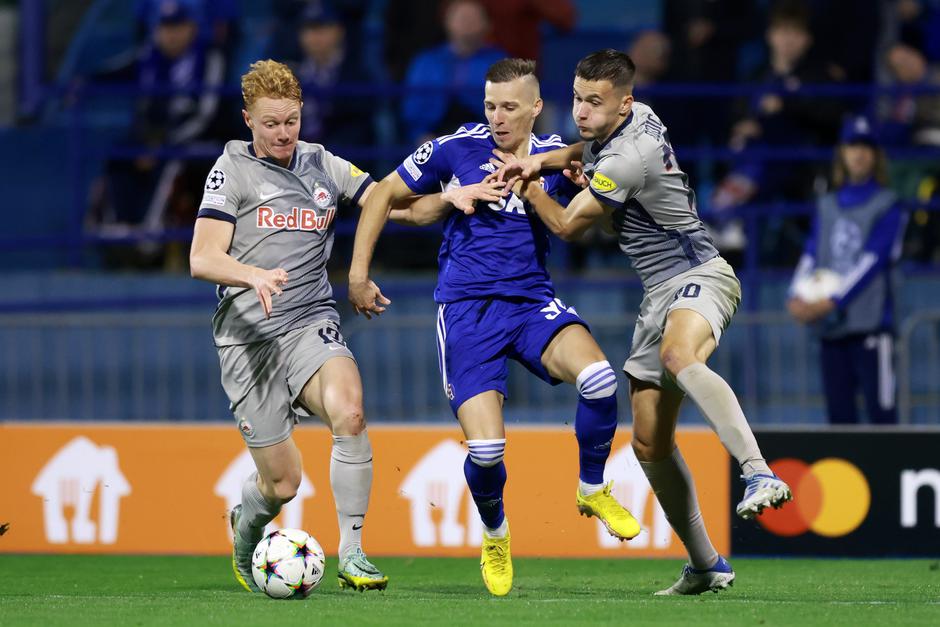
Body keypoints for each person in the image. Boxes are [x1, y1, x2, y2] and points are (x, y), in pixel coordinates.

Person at [492, 49, 792, 595]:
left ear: (623, 102)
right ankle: (706, 566)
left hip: (700, 272)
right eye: (578, 98)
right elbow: (586, 148)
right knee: (650, 442)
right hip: (659, 294)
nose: (581, 111)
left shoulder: (627, 159)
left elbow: (564, 227)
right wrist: (545, 160)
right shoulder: (635, 119)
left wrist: (529, 182)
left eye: (594, 102)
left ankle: (758, 470)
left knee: (682, 357)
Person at [347, 58, 641, 597]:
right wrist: (360, 273)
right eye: (490, 106)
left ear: (535, 107)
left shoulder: (553, 151)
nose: (498, 117)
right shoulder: (456, 147)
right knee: (486, 452)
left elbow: (602, 159)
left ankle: (592, 487)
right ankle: (496, 532)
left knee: (599, 377)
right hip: (466, 311)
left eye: (509, 107)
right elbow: (384, 196)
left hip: (531, 303)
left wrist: (566, 172)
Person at [189, 59, 392, 593]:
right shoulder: (230, 170)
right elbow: (202, 257)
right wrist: (250, 273)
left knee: (349, 410)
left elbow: (385, 200)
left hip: (308, 320)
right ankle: (245, 527)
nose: (284, 133)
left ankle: (353, 554)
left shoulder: (321, 163)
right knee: (283, 483)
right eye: (271, 123)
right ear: (248, 120)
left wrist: (449, 199)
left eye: (292, 121)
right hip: (247, 340)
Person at [787, 115, 906, 424]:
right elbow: (812, 253)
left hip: (872, 327)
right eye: (853, 145)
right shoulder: (826, 205)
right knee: (839, 420)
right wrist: (795, 295)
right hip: (832, 329)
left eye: (867, 146)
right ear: (842, 151)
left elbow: (871, 262)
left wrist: (830, 302)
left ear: (876, 155)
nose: (859, 153)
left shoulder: (888, 204)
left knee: (882, 419)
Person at [400, 0, 506, 144]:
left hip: (485, 136)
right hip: (434, 134)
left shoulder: (500, 62)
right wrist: (421, 135)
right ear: (447, 22)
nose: (467, 23)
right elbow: (412, 108)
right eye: (461, 17)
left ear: (488, 24)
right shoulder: (426, 61)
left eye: (473, 18)